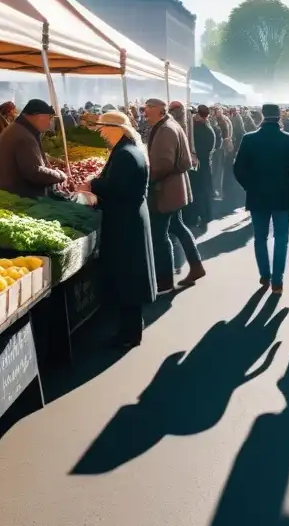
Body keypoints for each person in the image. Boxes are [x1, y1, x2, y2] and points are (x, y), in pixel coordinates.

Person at [82, 111, 157, 348]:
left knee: (128, 277)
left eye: (104, 128)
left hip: (127, 222)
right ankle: (130, 328)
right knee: (130, 276)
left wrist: (93, 184)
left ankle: (131, 333)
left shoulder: (125, 154)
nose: (102, 133)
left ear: (116, 128)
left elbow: (118, 188)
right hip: (130, 218)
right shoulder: (128, 149)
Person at [232, 104, 289, 293]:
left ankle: (264, 274)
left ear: (262, 115)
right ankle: (278, 280)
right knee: (281, 238)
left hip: (257, 195)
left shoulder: (249, 139)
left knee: (260, 237)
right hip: (283, 194)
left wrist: (248, 186)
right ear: (280, 116)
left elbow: (238, 168)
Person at [144, 98, 205, 292]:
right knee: (178, 227)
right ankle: (196, 267)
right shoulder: (169, 126)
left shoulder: (166, 130)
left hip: (167, 190)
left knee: (160, 237)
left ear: (159, 110)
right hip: (174, 189)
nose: (145, 113)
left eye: (148, 109)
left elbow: (163, 164)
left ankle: (165, 281)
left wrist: (147, 179)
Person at [0, 99, 67, 198]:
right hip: (21, 198)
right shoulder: (23, 136)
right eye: (49, 118)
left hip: (12, 193)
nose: (49, 123)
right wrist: (59, 175)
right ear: (39, 116)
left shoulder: (17, 128)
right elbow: (35, 172)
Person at [191, 105, 217, 231]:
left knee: (200, 192)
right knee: (205, 191)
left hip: (201, 163)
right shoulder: (208, 126)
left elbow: (199, 147)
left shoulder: (200, 128)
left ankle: (203, 216)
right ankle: (206, 216)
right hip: (205, 163)